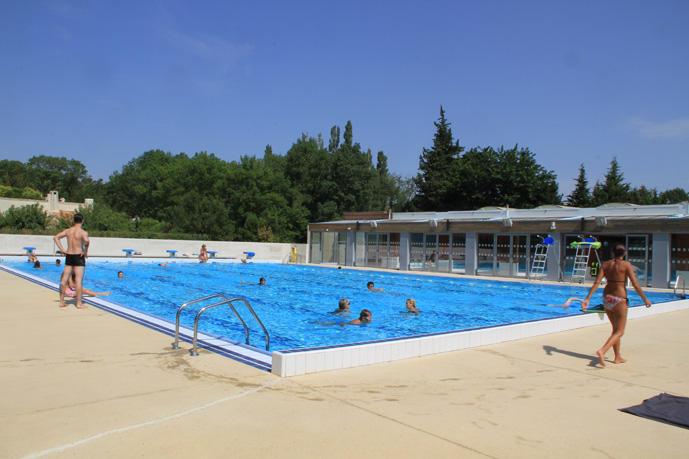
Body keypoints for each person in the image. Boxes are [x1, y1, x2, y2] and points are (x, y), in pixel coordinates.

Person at [582, 244, 652, 366]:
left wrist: (588, 298)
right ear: (624, 254)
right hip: (619, 299)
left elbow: (597, 282)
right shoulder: (626, 265)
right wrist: (645, 299)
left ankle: (617, 357)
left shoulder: (606, 265)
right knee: (620, 331)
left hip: (607, 298)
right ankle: (602, 350)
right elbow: (635, 284)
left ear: (613, 253)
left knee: (615, 330)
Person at [53, 213, 90, 309]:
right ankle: (78, 303)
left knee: (64, 279)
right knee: (78, 280)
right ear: (82, 220)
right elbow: (87, 241)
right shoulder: (83, 232)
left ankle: (61, 302)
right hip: (78, 255)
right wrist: (85, 251)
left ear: (74, 221)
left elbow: (56, 237)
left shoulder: (68, 231)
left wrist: (62, 250)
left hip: (69, 255)